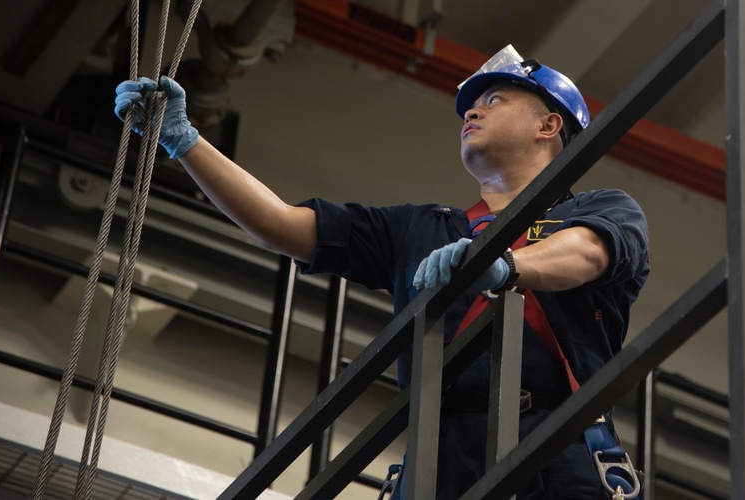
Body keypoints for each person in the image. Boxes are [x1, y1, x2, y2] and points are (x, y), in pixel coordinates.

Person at [114, 45, 650, 499]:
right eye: (470, 105)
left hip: (556, 445)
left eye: (494, 98)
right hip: (438, 458)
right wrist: (184, 141)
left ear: (549, 124)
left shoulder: (597, 210)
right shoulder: (419, 230)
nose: (471, 112)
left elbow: (588, 253)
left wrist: (505, 265)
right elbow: (281, 225)